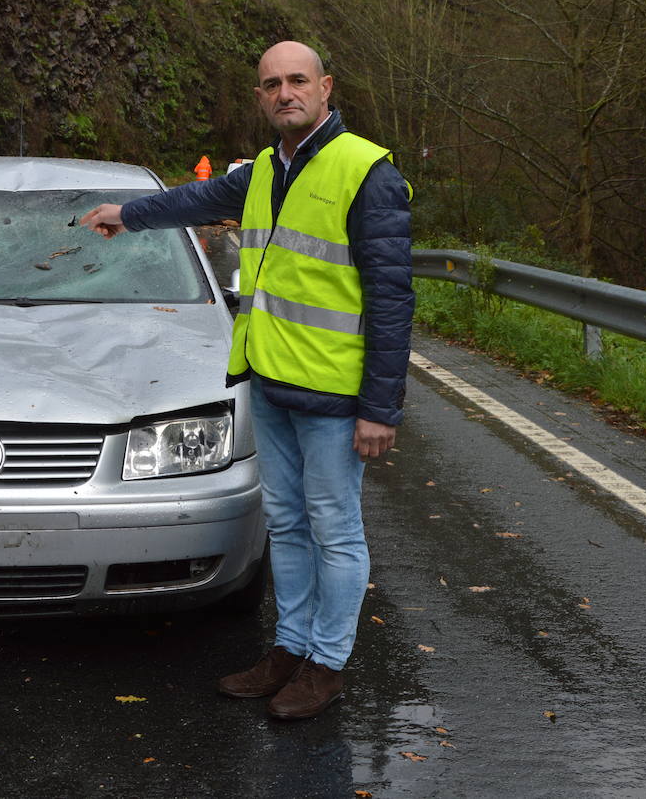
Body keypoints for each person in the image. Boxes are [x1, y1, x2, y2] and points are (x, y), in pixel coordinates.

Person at [81, 40, 414, 720]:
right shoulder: (265, 168)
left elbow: (391, 298)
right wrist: (128, 214)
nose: (285, 92)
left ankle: (326, 664)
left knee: (335, 531)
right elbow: (198, 199)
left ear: (326, 87)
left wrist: (380, 406)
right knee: (286, 525)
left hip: (333, 396)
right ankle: (289, 651)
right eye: (272, 84)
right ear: (260, 96)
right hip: (270, 382)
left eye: (298, 80)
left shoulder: (366, 172)